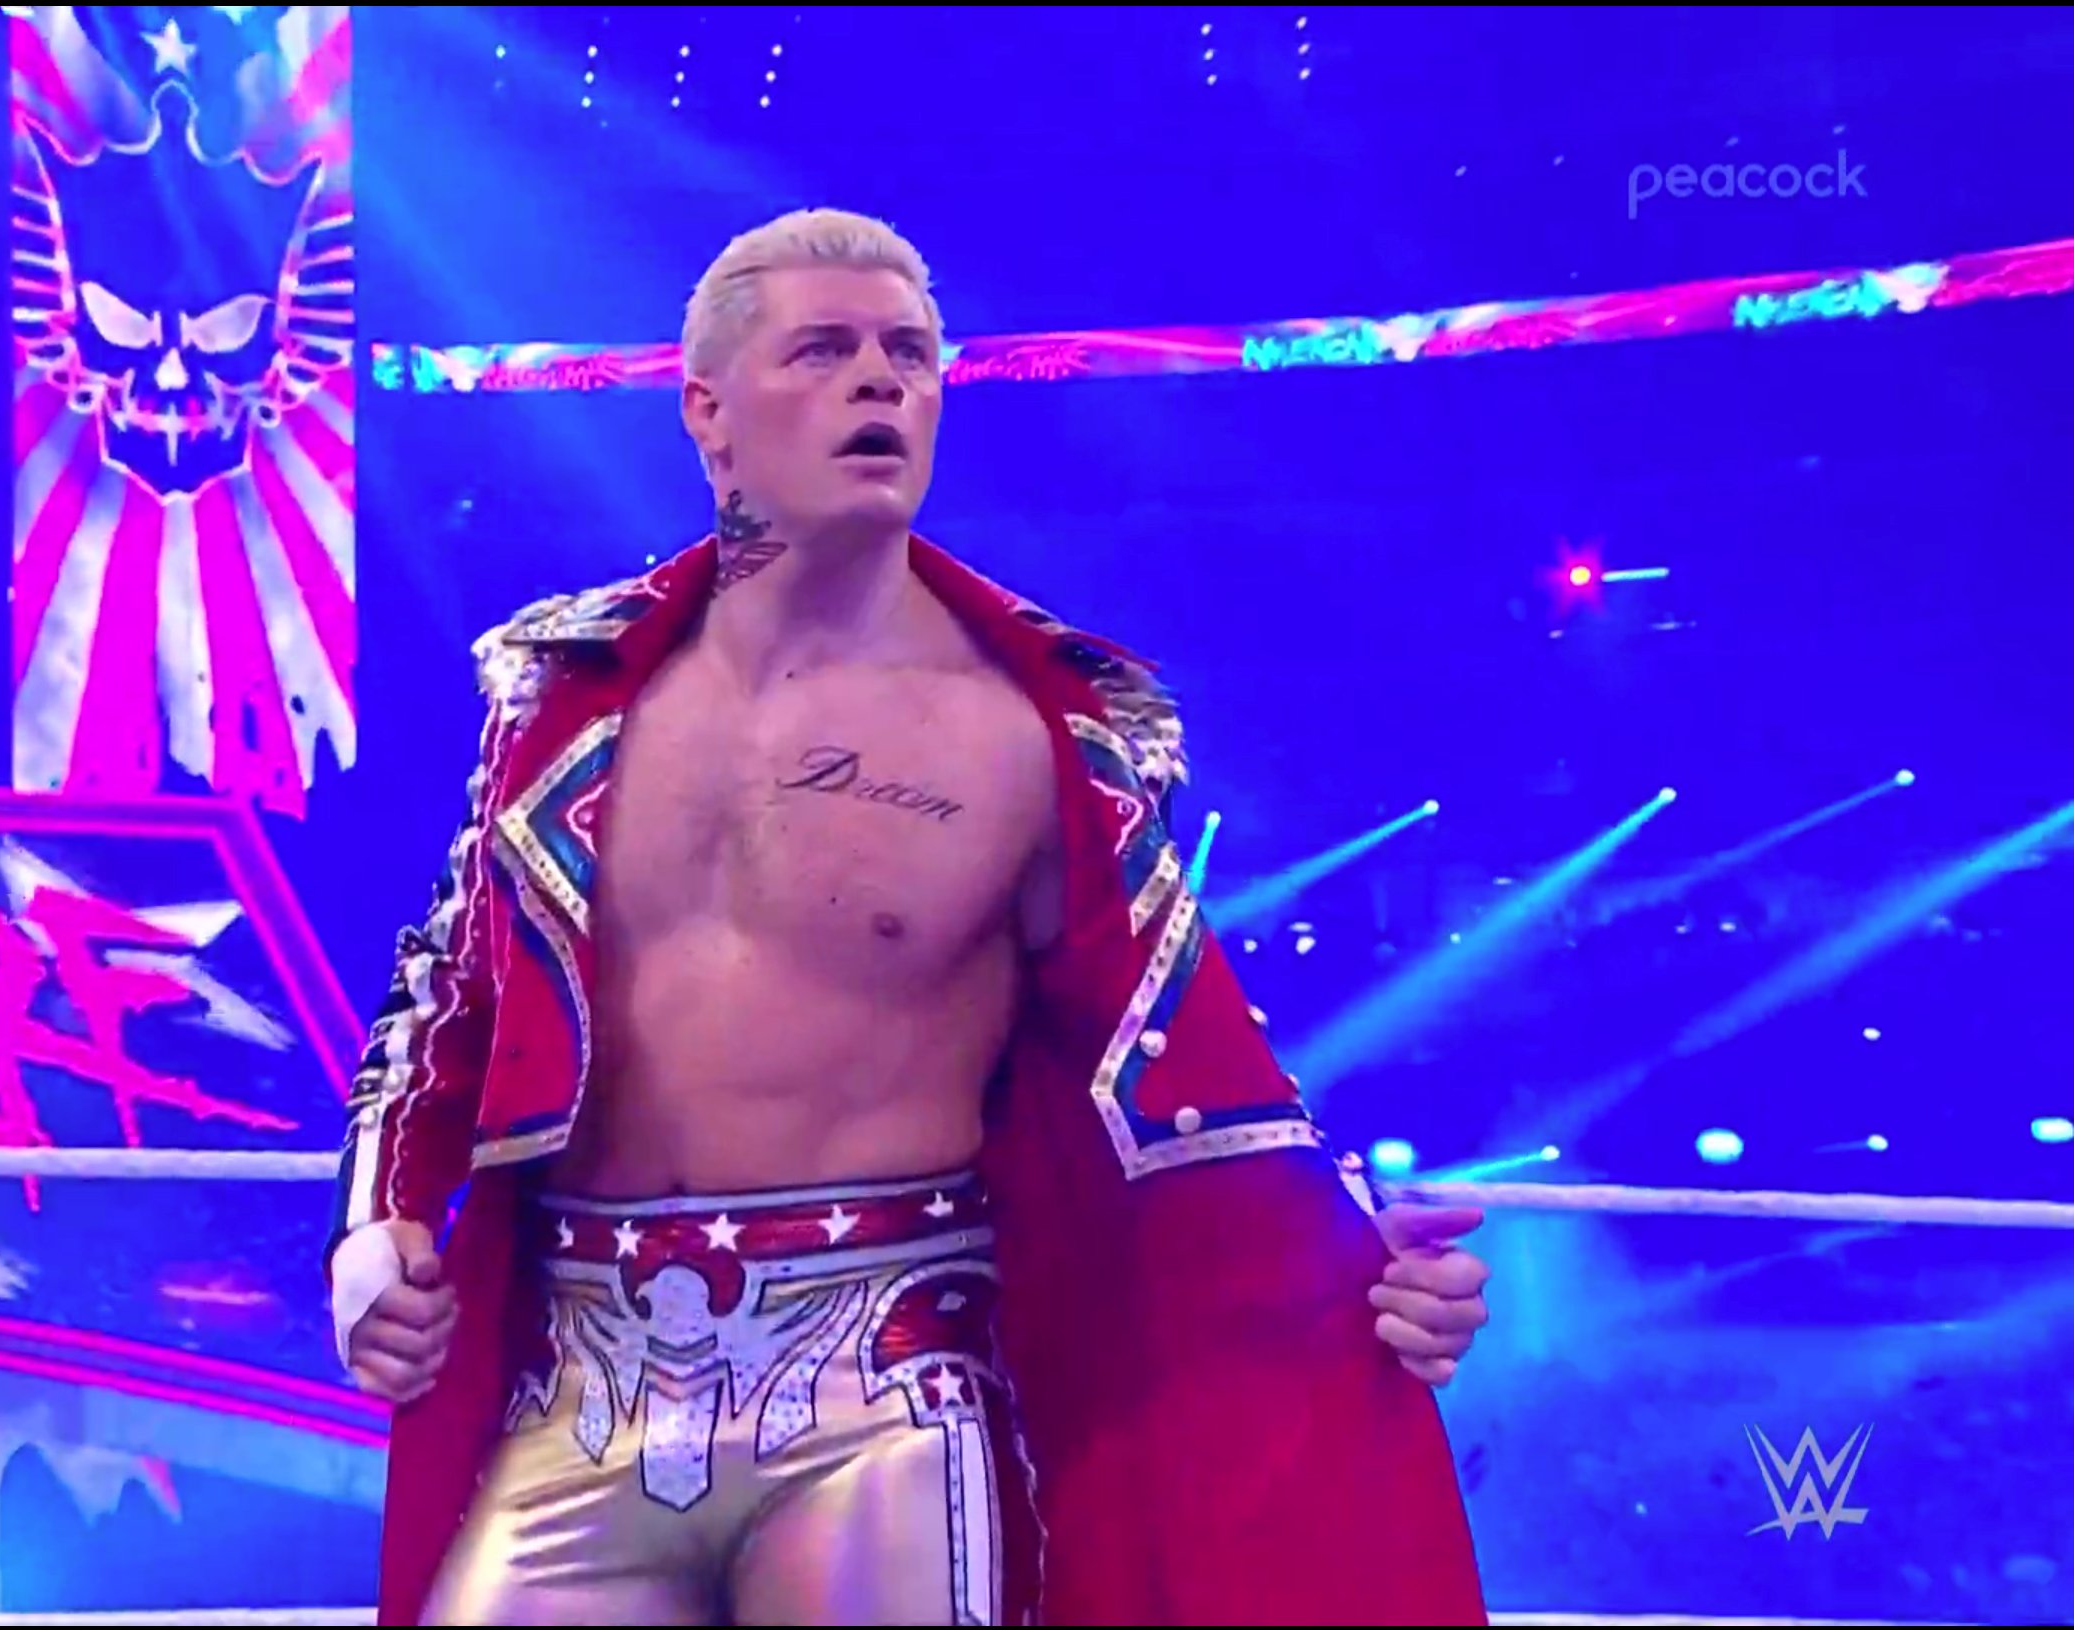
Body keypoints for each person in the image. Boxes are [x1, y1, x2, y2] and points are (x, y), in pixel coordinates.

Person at [329, 208, 1493, 1627]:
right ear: (707, 411)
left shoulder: (1035, 733)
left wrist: (1350, 1267)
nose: (880, 379)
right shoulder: (564, 699)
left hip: (886, 1383)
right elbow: (450, 988)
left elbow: (1194, 1071)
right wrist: (375, 1223)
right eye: (823, 349)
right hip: (578, 1375)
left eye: (909, 353)